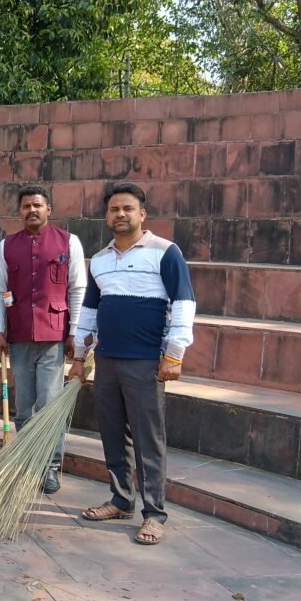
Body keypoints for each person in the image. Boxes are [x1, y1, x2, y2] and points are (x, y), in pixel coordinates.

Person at [70, 182, 195, 546]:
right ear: (106, 216)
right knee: (111, 433)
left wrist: (174, 354)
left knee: (147, 439)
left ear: (142, 214)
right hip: (107, 359)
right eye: (113, 209)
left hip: (146, 363)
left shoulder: (165, 252)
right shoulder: (102, 259)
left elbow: (184, 304)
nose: (120, 215)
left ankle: (154, 513)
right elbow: (89, 311)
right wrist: (79, 355)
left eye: (127, 208)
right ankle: (121, 499)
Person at [0, 185, 86, 494]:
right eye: (25, 206)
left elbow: (77, 290)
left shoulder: (68, 242)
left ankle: (51, 466)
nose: (31, 210)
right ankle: (27, 461)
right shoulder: (7, 246)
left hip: (54, 337)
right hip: (18, 336)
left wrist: (75, 332)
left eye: (37, 205)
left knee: (48, 406)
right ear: (19, 212)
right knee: (22, 408)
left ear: (49, 209)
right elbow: (1, 292)